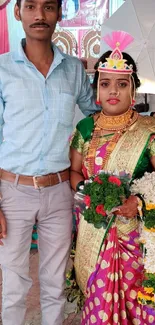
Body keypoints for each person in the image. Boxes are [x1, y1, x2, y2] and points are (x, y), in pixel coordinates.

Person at [0, 0, 98, 324]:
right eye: (30, 6)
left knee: (55, 286)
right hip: (12, 191)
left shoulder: (72, 70)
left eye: (48, 7)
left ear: (59, 12)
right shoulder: (2, 70)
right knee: (14, 286)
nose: (39, 15)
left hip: (59, 191)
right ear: (18, 12)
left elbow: (95, 120)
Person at [70, 31, 155, 324]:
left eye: (122, 84)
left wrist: (139, 201)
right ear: (96, 90)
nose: (113, 91)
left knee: (137, 305)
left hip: (135, 234)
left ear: (134, 89)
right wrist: (87, 192)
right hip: (94, 228)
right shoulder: (85, 128)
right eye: (105, 84)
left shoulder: (149, 131)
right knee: (98, 299)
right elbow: (74, 172)